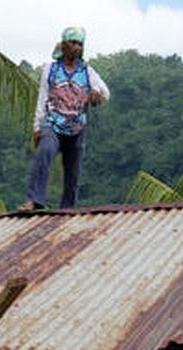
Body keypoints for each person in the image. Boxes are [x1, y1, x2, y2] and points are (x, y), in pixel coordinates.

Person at [21, 26, 109, 211]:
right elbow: (42, 97)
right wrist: (37, 127)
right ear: (63, 45)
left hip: (77, 127)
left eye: (80, 44)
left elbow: (105, 92)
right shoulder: (51, 70)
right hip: (52, 123)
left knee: (73, 172)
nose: (76, 47)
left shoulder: (87, 72)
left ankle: (67, 209)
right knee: (45, 152)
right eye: (73, 43)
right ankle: (34, 200)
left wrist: (97, 95)